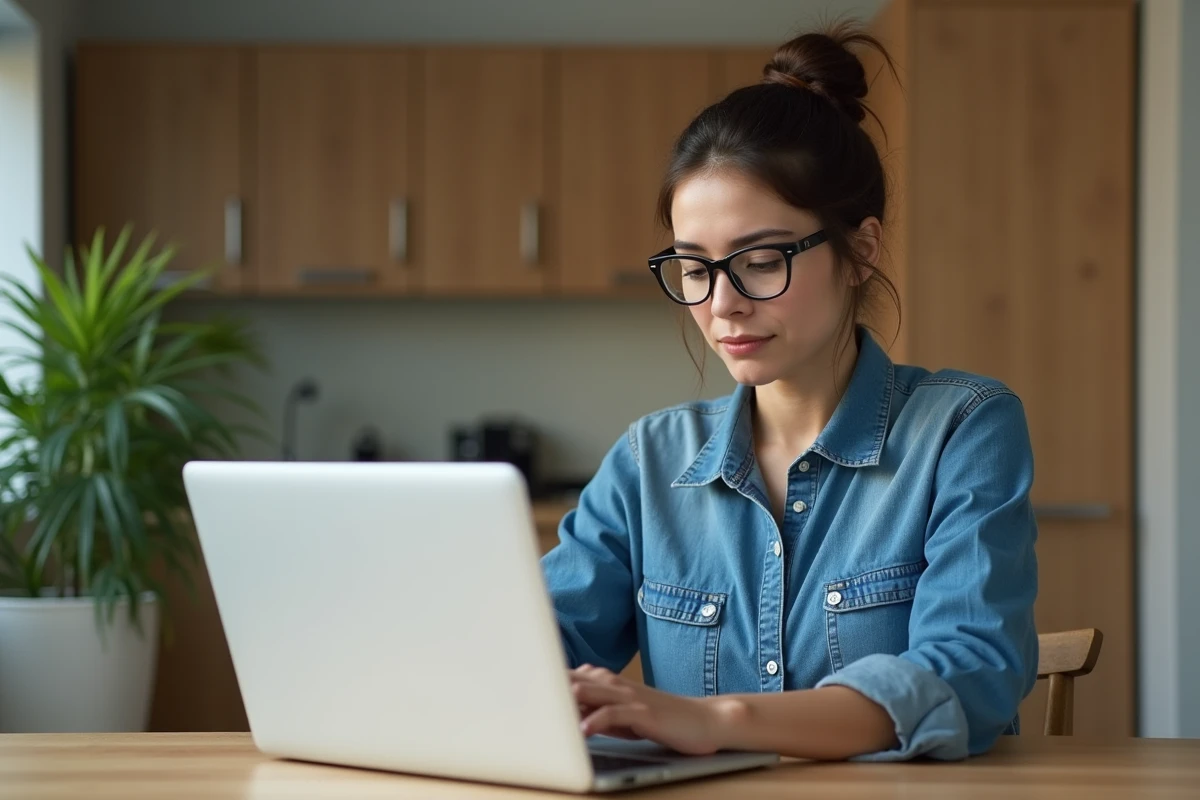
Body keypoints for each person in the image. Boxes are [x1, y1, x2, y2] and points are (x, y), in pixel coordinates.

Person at [539, 23, 1039, 762]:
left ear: (860, 249)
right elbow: (529, 650)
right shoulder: (649, 461)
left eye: (761, 260)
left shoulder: (962, 429)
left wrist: (718, 720)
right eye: (695, 268)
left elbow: (968, 674)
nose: (722, 305)